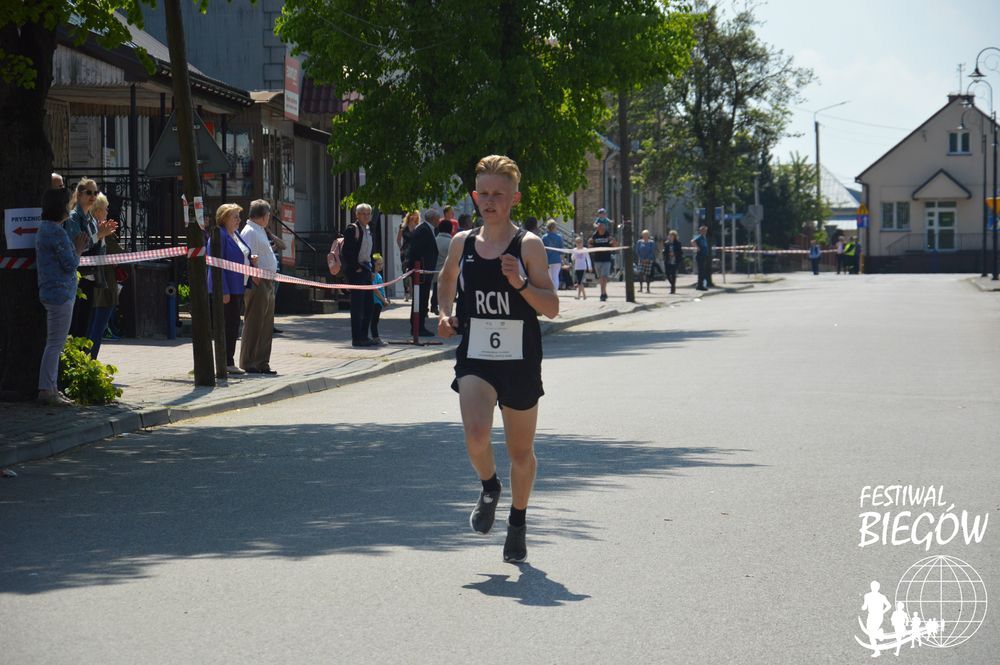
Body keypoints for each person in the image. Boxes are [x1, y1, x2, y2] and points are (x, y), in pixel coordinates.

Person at [437, 155, 559, 563]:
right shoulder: (462, 242)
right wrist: (445, 313)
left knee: (520, 452)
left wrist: (519, 282)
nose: (489, 201)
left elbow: (552, 308)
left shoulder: (528, 245)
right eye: (483, 194)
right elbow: (447, 278)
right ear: (475, 197)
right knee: (475, 434)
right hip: (476, 355)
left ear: (514, 199)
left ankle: (518, 521)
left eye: (498, 195)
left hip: (520, 360)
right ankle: (490, 486)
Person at [35, 187, 87, 405]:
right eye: (68, 203)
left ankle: (52, 388)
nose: (70, 207)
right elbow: (70, 264)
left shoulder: (46, 228)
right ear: (60, 207)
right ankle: (47, 390)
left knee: (54, 343)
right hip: (60, 293)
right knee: (55, 344)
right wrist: (78, 249)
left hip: (52, 291)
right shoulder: (56, 232)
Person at [208, 203, 252, 373]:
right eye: (235, 217)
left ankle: (229, 361)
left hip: (238, 287)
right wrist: (223, 290)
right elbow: (217, 265)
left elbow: (243, 254)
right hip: (227, 289)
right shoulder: (219, 235)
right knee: (228, 326)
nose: (239, 220)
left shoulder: (236, 234)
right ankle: (226, 362)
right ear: (224, 218)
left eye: (239, 216)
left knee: (233, 325)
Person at [239, 199, 278, 373]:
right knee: (254, 323)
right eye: (268, 215)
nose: (269, 218)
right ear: (263, 215)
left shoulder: (259, 230)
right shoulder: (250, 231)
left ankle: (262, 362)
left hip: (267, 281)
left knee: (266, 324)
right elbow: (247, 257)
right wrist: (255, 279)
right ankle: (249, 362)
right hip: (258, 282)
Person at [85, 193, 122, 358]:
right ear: (98, 211)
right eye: (105, 209)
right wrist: (108, 234)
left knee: (91, 327)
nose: (108, 212)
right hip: (103, 286)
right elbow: (117, 254)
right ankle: (90, 360)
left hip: (97, 285)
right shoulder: (99, 230)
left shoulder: (92, 228)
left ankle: (87, 360)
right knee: (96, 328)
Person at [65, 178, 101, 338]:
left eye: (95, 192)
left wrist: (102, 236)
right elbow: (78, 245)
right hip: (77, 276)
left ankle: (81, 353)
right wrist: (99, 235)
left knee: (85, 325)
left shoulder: (92, 219)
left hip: (91, 276)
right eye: (89, 192)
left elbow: (97, 246)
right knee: (74, 324)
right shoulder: (73, 217)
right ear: (79, 195)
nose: (93, 196)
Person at [342, 203, 376, 347]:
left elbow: (370, 252)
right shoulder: (352, 229)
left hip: (367, 270)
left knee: (369, 305)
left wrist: (372, 270)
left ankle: (364, 336)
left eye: (368, 213)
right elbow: (347, 252)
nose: (366, 216)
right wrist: (356, 268)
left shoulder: (369, 229)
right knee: (357, 306)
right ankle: (357, 338)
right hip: (357, 272)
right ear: (357, 215)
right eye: (363, 213)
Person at [408, 208, 440, 336]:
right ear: (433, 219)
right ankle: (417, 327)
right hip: (421, 272)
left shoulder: (428, 229)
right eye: (437, 218)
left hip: (425, 271)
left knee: (423, 299)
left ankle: (420, 325)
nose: (439, 221)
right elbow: (416, 251)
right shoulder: (423, 230)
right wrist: (418, 268)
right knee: (420, 300)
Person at [588, 218, 617, 301]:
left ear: (604, 227)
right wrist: (589, 244)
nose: (600, 228)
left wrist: (614, 242)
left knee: (604, 277)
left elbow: (614, 246)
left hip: (606, 259)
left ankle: (602, 293)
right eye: (599, 226)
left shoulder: (608, 235)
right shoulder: (594, 236)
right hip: (597, 259)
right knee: (600, 277)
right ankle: (604, 292)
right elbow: (590, 247)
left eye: (602, 226)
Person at [396, 210, 420, 301]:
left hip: (414, 252)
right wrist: (401, 248)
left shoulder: (418, 227)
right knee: (405, 272)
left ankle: (414, 293)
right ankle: (406, 292)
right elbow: (398, 239)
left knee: (414, 271)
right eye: (412, 215)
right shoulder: (403, 226)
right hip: (405, 252)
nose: (414, 217)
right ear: (409, 216)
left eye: (415, 215)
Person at [430, 219, 452, 314]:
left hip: (433, 269)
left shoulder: (434, 239)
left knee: (435, 288)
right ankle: (443, 308)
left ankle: (433, 305)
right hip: (445, 270)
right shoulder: (451, 242)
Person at [370, 253, 390, 344]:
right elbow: (375, 290)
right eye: (378, 264)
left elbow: (381, 289)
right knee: (374, 321)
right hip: (376, 301)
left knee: (376, 320)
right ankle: (375, 337)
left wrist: (385, 298)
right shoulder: (373, 276)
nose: (381, 266)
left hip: (379, 301)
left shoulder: (378, 275)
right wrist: (383, 300)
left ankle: (375, 337)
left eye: (382, 264)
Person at [541, 220, 563, 291]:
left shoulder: (544, 237)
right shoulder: (559, 237)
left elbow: (542, 250)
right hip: (557, 260)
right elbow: (561, 251)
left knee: (550, 277)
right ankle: (555, 292)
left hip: (548, 260)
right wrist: (562, 260)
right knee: (555, 276)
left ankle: (551, 292)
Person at [635, 229, 656, 293]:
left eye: (646, 235)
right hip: (641, 260)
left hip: (649, 260)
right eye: (644, 235)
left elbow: (652, 251)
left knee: (647, 274)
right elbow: (637, 251)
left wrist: (648, 259)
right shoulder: (639, 242)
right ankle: (641, 288)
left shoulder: (651, 242)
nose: (645, 236)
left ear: (648, 235)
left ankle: (648, 288)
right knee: (640, 273)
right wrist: (642, 258)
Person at [663, 229, 682, 294]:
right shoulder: (666, 243)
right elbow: (665, 251)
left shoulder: (678, 243)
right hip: (668, 260)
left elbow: (680, 252)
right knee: (667, 274)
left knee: (673, 274)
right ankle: (672, 284)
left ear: (674, 236)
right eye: (670, 235)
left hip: (675, 260)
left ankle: (672, 288)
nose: (670, 237)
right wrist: (665, 253)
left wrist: (674, 254)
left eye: (672, 235)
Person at [692, 225, 710, 291]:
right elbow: (692, 241)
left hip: (704, 256)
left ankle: (700, 285)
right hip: (700, 256)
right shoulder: (699, 237)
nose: (704, 231)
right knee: (701, 272)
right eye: (703, 230)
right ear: (700, 231)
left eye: (705, 230)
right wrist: (697, 247)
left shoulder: (704, 238)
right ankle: (700, 286)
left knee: (702, 272)